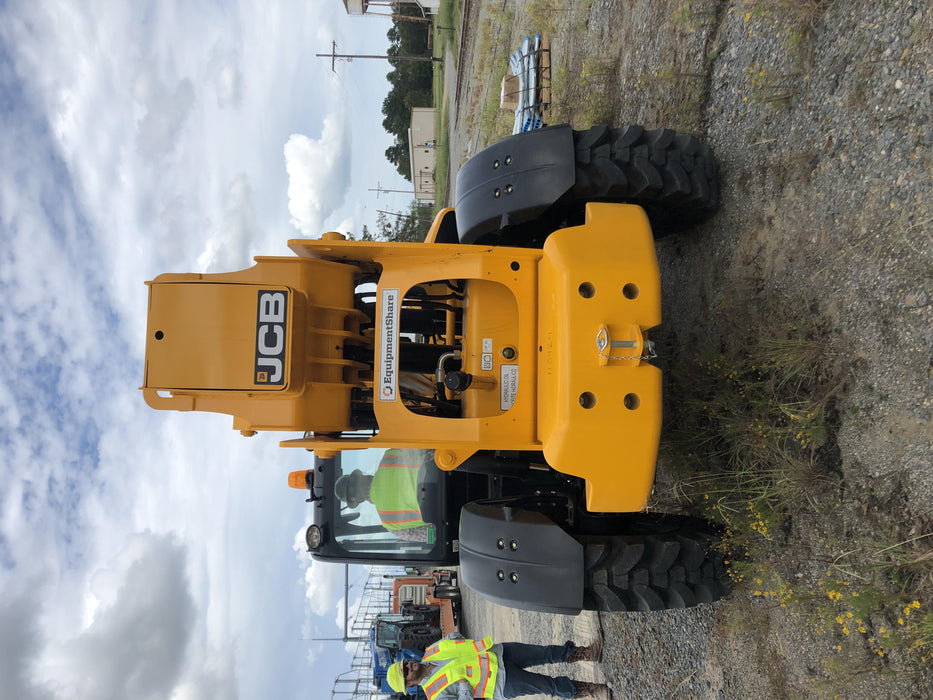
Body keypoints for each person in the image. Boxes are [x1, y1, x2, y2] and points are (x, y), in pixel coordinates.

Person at [385, 632, 610, 700]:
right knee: (547, 685)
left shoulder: (431, 651)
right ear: (410, 683)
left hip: (499, 653)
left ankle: (588, 652)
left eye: (405, 663)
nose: (410, 665)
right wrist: (463, 685)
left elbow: (453, 637)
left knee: (545, 652)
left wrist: (460, 639)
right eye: (406, 671)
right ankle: (591, 690)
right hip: (501, 683)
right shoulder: (434, 693)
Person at [334, 448, 435, 542]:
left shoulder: (390, 524)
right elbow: (423, 445)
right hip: (444, 466)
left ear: (360, 500)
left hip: (443, 507)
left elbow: (430, 535)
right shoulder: (389, 456)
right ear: (362, 476)